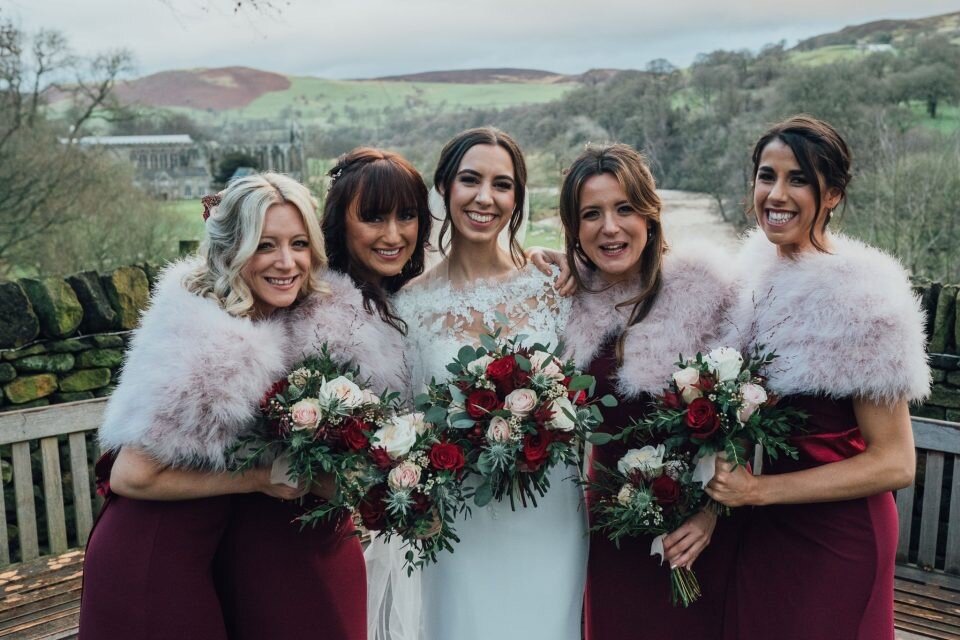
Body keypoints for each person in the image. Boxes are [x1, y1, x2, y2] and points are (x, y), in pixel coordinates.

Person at [79, 172, 402, 639]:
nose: (287, 262)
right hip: (155, 552)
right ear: (232, 249)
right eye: (266, 245)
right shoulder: (208, 342)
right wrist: (259, 478)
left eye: (298, 243)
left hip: (226, 554)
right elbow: (132, 475)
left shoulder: (293, 323)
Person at [706, 115, 930, 640]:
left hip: (838, 535)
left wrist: (760, 491)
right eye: (766, 175)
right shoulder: (751, 277)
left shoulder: (862, 300)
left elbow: (895, 462)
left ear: (831, 194)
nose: (776, 193)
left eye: (798, 179)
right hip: (763, 528)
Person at [370, 127, 587, 640]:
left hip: (549, 512)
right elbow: (400, 425)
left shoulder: (555, 285)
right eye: (471, 179)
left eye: (502, 184)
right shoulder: (407, 306)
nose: (485, 197)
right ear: (444, 188)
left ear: (517, 199)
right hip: (458, 521)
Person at [560, 143, 738, 639]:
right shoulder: (573, 299)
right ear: (574, 229)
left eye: (623, 208)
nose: (609, 227)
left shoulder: (706, 289)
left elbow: (744, 418)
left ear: (650, 214)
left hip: (695, 534)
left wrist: (711, 514)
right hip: (608, 530)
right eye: (590, 214)